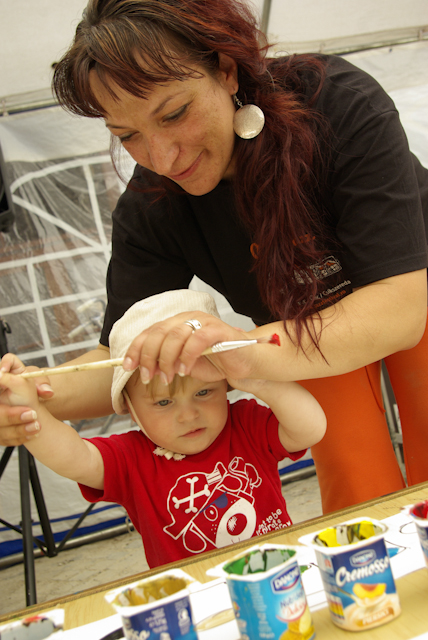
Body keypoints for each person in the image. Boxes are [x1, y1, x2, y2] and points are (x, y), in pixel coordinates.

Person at [0, 0, 427, 514]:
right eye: (127, 135)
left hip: (410, 288)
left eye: (174, 114)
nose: (162, 157)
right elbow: (121, 359)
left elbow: (401, 310)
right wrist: (25, 394)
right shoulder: (152, 205)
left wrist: (242, 351)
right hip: (302, 332)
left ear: (226, 70)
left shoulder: (335, 101)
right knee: (357, 480)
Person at [0, 290, 326, 567]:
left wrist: (254, 378)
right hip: (196, 600)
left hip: (279, 574)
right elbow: (74, 457)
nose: (188, 415)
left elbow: (310, 430)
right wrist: (28, 411)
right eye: (164, 402)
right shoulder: (130, 458)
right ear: (130, 409)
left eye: (204, 392)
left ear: (225, 383)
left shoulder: (244, 424)